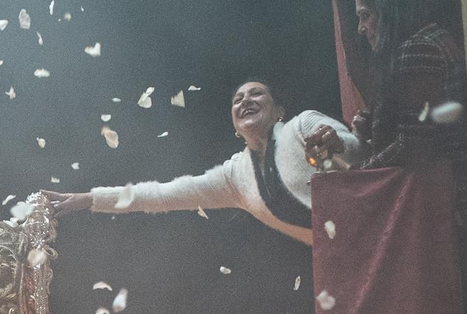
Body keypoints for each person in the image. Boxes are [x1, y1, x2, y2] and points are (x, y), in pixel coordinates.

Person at [307, 0, 467, 314]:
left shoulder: (416, 50)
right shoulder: (436, 41)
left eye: (366, 16)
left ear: (390, 9)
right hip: (455, 206)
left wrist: (357, 179)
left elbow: (413, 146)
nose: (361, 28)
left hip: (442, 211)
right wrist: (366, 134)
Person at [43, 80, 359, 245]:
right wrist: (89, 199)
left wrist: (340, 146)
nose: (246, 101)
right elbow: (161, 194)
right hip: (337, 259)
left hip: (372, 225)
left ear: (279, 111)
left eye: (256, 94)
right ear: (234, 124)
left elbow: (366, 155)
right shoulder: (236, 177)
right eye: (238, 99)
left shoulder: (303, 124)